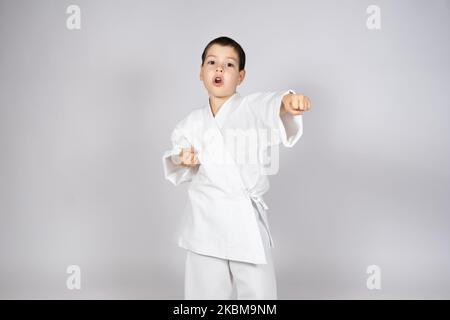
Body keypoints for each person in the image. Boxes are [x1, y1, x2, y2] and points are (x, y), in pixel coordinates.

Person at [162, 36, 311, 299]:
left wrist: (286, 102)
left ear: (241, 76)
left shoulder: (251, 108)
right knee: (203, 293)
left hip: (245, 221)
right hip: (205, 221)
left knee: (258, 293)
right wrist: (181, 158)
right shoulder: (190, 123)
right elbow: (176, 155)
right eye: (212, 62)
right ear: (201, 72)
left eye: (229, 65)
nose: (219, 69)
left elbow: (270, 104)